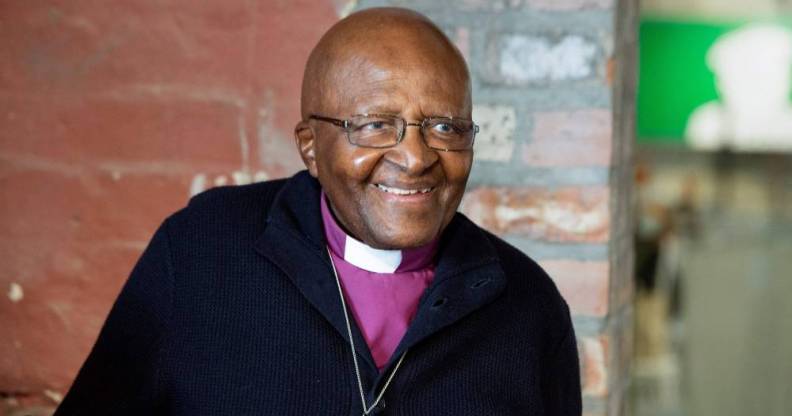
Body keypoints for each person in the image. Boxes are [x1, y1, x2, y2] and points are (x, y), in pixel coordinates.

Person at [55, 7, 581, 415]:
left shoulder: (528, 305)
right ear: (310, 146)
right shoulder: (198, 252)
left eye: (446, 128)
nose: (417, 158)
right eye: (375, 124)